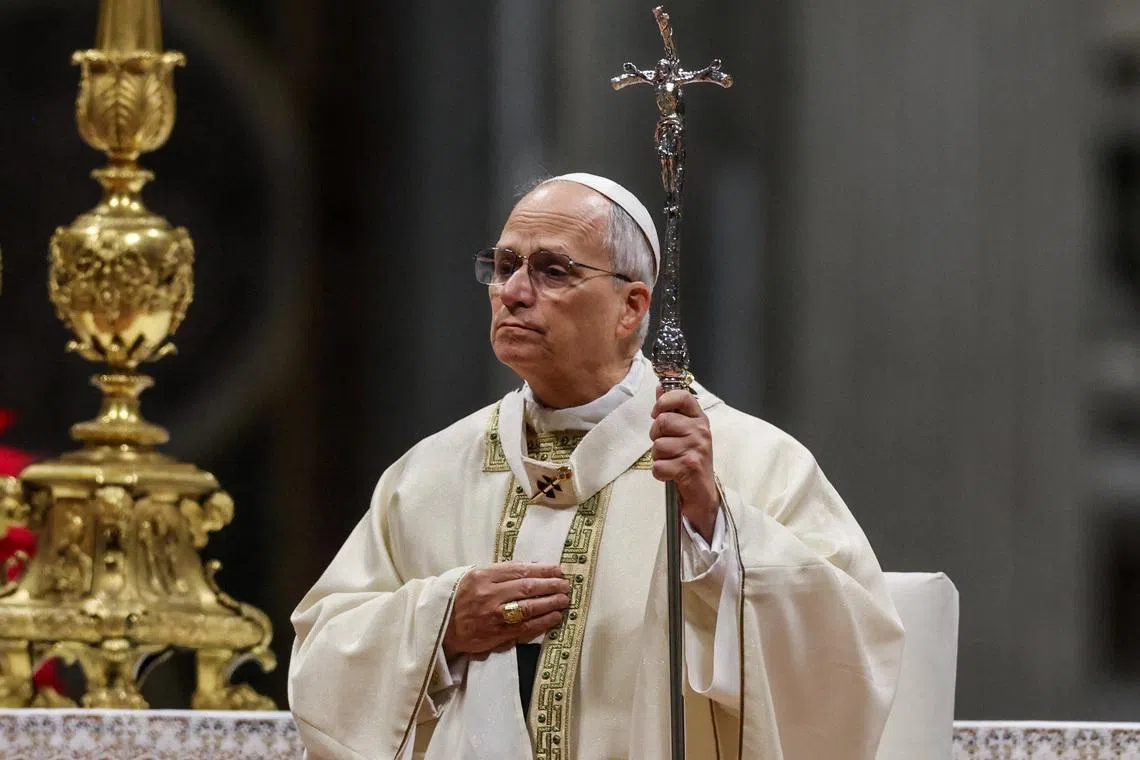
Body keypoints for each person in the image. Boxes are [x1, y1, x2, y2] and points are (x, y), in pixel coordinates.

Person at [288, 173, 905, 760]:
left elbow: (847, 656)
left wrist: (714, 530)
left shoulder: (752, 462)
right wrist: (441, 624)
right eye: (503, 267)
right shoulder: (429, 475)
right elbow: (323, 659)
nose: (513, 291)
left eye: (552, 270)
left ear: (632, 307)